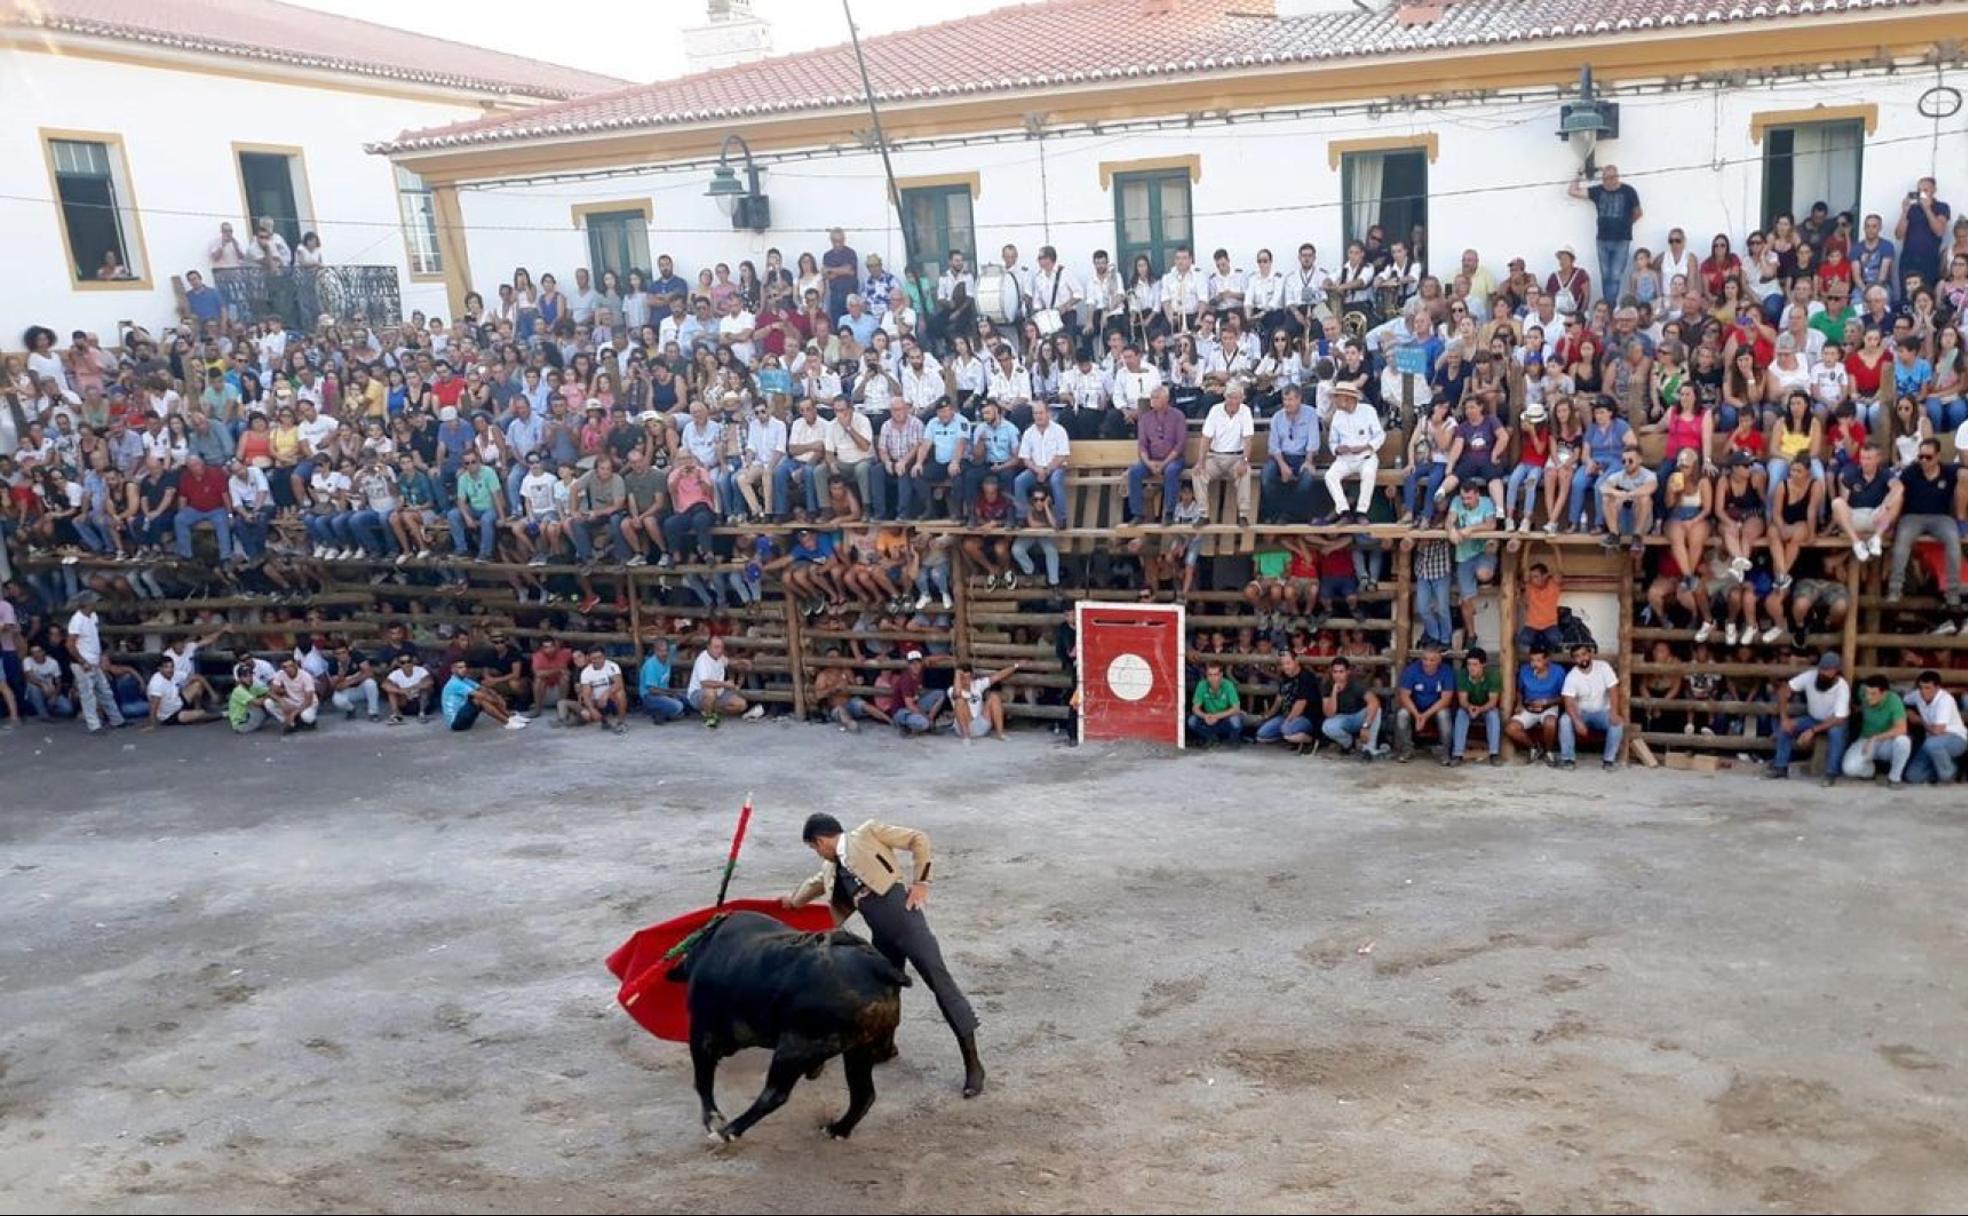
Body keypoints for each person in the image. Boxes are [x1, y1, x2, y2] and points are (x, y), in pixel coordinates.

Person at [784, 813, 985, 1098]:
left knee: (941, 985)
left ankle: (974, 1065)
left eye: (815, 847)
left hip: (907, 924)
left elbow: (918, 838)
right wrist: (792, 902)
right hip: (882, 933)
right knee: (883, 990)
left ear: (820, 840)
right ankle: (886, 1047)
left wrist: (921, 882)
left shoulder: (867, 833)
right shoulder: (830, 868)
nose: (817, 852)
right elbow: (814, 884)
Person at [1768, 652, 1852, 786]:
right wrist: (1784, 718)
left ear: (1836, 671)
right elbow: (1784, 691)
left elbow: (1839, 719)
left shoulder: (1842, 687)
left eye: (1827, 670)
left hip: (1833, 722)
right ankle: (1780, 767)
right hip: (1814, 718)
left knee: (1836, 734)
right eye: (1821, 669)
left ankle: (1831, 773)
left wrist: (1812, 731)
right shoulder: (1810, 676)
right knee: (1786, 728)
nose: (1823, 673)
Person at [1570, 164, 1642, 311]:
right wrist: (1579, 173)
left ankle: (1609, 307)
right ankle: (1609, 307)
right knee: (1605, 275)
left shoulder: (1628, 191)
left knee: (1615, 275)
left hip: (1622, 240)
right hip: (1602, 240)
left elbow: (1638, 212)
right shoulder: (1598, 191)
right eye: (1605, 178)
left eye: (1611, 178)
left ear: (1617, 177)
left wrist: (1627, 225)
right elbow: (1572, 191)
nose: (1608, 181)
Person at [1555, 641, 1624, 770]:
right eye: (1577, 656)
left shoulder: (1603, 667)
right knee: (1565, 720)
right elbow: (1568, 701)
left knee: (1618, 723)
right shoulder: (1572, 676)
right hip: (1581, 713)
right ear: (1574, 659)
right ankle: (1568, 759)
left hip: (1603, 711)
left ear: (1590, 654)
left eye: (1584, 654)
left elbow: (1614, 690)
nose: (1582, 658)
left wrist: (1614, 712)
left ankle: (1609, 760)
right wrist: (1577, 721)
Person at [1322, 382, 1384, 524]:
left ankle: (1361, 512)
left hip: (1366, 456)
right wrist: (1338, 449)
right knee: (1330, 476)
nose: (1335, 400)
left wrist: (1365, 447)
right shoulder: (1337, 415)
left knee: (1368, 473)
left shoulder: (1368, 411)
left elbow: (1380, 435)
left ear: (1348, 398)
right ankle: (1344, 511)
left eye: (1337, 397)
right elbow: (1333, 442)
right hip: (1345, 459)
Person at [1193, 385, 1255, 526]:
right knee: (1197, 473)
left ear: (1242, 399)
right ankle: (1203, 515)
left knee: (1245, 472)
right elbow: (1206, 438)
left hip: (1236, 458)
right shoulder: (1215, 410)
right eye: (1230, 398)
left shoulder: (1246, 411)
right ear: (1225, 398)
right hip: (1214, 457)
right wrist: (1200, 461)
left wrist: (1244, 461)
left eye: (1236, 398)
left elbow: (1248, 439)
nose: (1233, 401)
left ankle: (1243, 515)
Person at [66, 591, 124, 733]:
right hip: (83, 663)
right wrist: (81, 661)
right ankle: (94, 725)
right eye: (93, 601)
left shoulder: (93, 616)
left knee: (105, 691)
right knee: (88, 696)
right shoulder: (77, 620)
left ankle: (116, 720)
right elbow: (70, 644)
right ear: (86, 603)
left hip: (94, 661)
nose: (96, 604)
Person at [1393, 641, 1456, 762]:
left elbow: (1446, 700)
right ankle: (1407, 749)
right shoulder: (1411, 670)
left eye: (1432, 660)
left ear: (1439, 660)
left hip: (1435, 710)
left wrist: (1425, 716)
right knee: (1401, 714)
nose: (1427, 663)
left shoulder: (1446, 671)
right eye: (1425, 659)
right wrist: (1417, 715)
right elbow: (1404, 696)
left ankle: (1445, 751)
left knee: (1444, 714)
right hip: (1415, 709)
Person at [1843, 674, 1912, 786]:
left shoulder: (1894, 700)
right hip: (1865, 740)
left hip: (1886, 742)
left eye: (1873, 694)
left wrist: (1875, 738)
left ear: (1884, 693)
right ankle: (1872, 772)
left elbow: (1902, 728)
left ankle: (1894, 778)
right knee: (1849, 768)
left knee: (1903, 741)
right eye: (1866, 692)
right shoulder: (1863, 693)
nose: (1868, 697)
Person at [1904, 669, 1967, 784]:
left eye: (1927, 688)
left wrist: (1919, 720)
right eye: (1921, 687)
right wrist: (1908, 711)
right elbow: (1904, 699)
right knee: (1913, 776)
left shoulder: (1945, 700)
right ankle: (1952, 768)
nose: (1923, 691)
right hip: (1932, 740)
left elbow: (1938, 731)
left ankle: (1948, 775)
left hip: (1955, 739)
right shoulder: (1918, 695)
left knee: (1932, 744)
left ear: (1937, 688)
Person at [1506, 644, 1567, 764]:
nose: (1534, 663)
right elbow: (1519, 691)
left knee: (1550, 723)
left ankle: (1548, 751)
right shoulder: (1525, 670)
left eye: (1538, 660)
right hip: (1529, 706)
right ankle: (1534, 747)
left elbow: (1565, 696)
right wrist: (1519, 704)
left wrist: (1546, 702)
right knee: (1510, 728)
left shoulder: (1558, 671)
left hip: (1549, 705)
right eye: (1532, 660)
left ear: (1547, 660)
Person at [1318, 655, 1383, 757]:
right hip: (1342, 719)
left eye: (1341, 671)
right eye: (1335, 672)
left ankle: (1369, 749)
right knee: (1326, 726)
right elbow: (1329, 713)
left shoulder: (1355, 684)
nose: (1338, 675)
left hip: (1359, 717)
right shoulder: (1327, 685)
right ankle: (1349, 744)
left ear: (1347, 672)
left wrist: (1366, 726)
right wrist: (1334, 692)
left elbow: (1374, 702)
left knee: (1377, 709)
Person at [439, 658, 528, 731]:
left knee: (485, 693)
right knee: (479, 699)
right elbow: (480, 696)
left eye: (464, 667)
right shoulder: (455, 683)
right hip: (456, 723)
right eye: (460, 667)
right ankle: (507, 723)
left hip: (464, 717)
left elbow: (482, 688)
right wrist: (497, 701)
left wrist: (496, 695)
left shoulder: (465, 680)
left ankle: (510, 717)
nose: (464, 669)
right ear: (453, 669)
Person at [1451, 646, 1503, 765]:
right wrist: (1469, 707)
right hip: (1469, 707)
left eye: (1475, 664)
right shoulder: (1462, 674)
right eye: (1469, 664)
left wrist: (1480, 709)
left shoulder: (1493, 675)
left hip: (1486, 707)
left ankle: (1494, 753)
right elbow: (1462, 700)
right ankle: (1457, 754)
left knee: (1493, 715)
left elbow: (1493, 701)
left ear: (1483, 664)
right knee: (1461, 713)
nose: (1471, 668)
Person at [687, 634, 753, 724]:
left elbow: (730, 662)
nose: (719, 650)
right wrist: (725, 684)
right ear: (708, 647)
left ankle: (710, 710)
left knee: (741, 704)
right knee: (710, 693)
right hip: (698, 694)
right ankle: (709, 719)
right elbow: (704, 683)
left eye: (721, 647)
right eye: (716, 647)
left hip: (719, 693)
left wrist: (742, 662)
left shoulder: (720, 657)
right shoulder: (702, 660)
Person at [950, 660, 1021, 741]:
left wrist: (1016, 666)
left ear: (972, 676)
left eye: (968, 677)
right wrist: (957, 674)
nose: (966, 681)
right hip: (963, 727)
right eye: (963, 678)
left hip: (980, 725)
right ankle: (966, 737)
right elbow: (957, 694)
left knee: (994, 696)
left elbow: (997, 676)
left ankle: (1000, 734)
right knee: (959, 701)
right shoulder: (952, 690)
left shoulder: (977, 684)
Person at [142, 654, 216, 729]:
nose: (170, 670)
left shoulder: (174, 674)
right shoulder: (156, 683)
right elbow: (153, 705)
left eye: (171, 667)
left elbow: (197, 677)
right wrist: (152, 724)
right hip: (169, 715)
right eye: (166, 667)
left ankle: (197, 709)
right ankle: (218, 715)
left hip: (178, 701)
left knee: (197, 684)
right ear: (160, 669)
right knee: (201, 714)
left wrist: (212, 693)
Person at [1187, 660, 1242, 746]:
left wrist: (1217, 716)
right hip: (1208, 718)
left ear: (1221, 675)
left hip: (1224, 718)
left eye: (1215, 675)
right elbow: (1195, 708)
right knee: (1192, 721)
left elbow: (1236, 709)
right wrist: (1205, 716)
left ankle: (1232, 742)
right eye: (1210, 675)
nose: (1212, 678)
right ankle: (1211, 738)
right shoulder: (1202, 685)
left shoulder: (1228, 685)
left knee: (1236, 721)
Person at [575, 649, 629, 734]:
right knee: (586, 715)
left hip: (610, 699)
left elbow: (619, 683)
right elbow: (586, 694)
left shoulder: (612, 666)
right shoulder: (586, 672)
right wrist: (592, 709)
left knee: (621, 693)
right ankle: (604, 720)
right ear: (589, 658)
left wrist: (606, 694)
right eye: (594, 658)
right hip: (596, 702)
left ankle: (621, 721)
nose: (597, 660)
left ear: (604, 657)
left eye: (600, 657)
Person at [637, 638, 685, 723]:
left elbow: (679, 642)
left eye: (666, 651)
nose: (664, 653)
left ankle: (663, 713)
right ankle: (657, 712)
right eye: (661, 651)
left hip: (664, 694)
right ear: (655, 651)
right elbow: (652, 690)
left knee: (686, 697)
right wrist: (672, 693)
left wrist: (694, 633)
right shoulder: (651, 665)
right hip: (650, 697)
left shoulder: (668, 656)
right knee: (678, 705)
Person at [383, 651, 434, 724]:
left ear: (412, 662)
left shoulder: (421, 670)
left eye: (408, 661)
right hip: (405, 702)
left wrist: (412, 688)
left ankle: (422, 714)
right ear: (399, 664)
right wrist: (401, 691)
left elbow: (429, 681)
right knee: (391, 691)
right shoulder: (395, 673)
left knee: (426, 689)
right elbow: (384, 685)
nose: (406, 664)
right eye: (403, 662)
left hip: (421, 703)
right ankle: (396, 715)